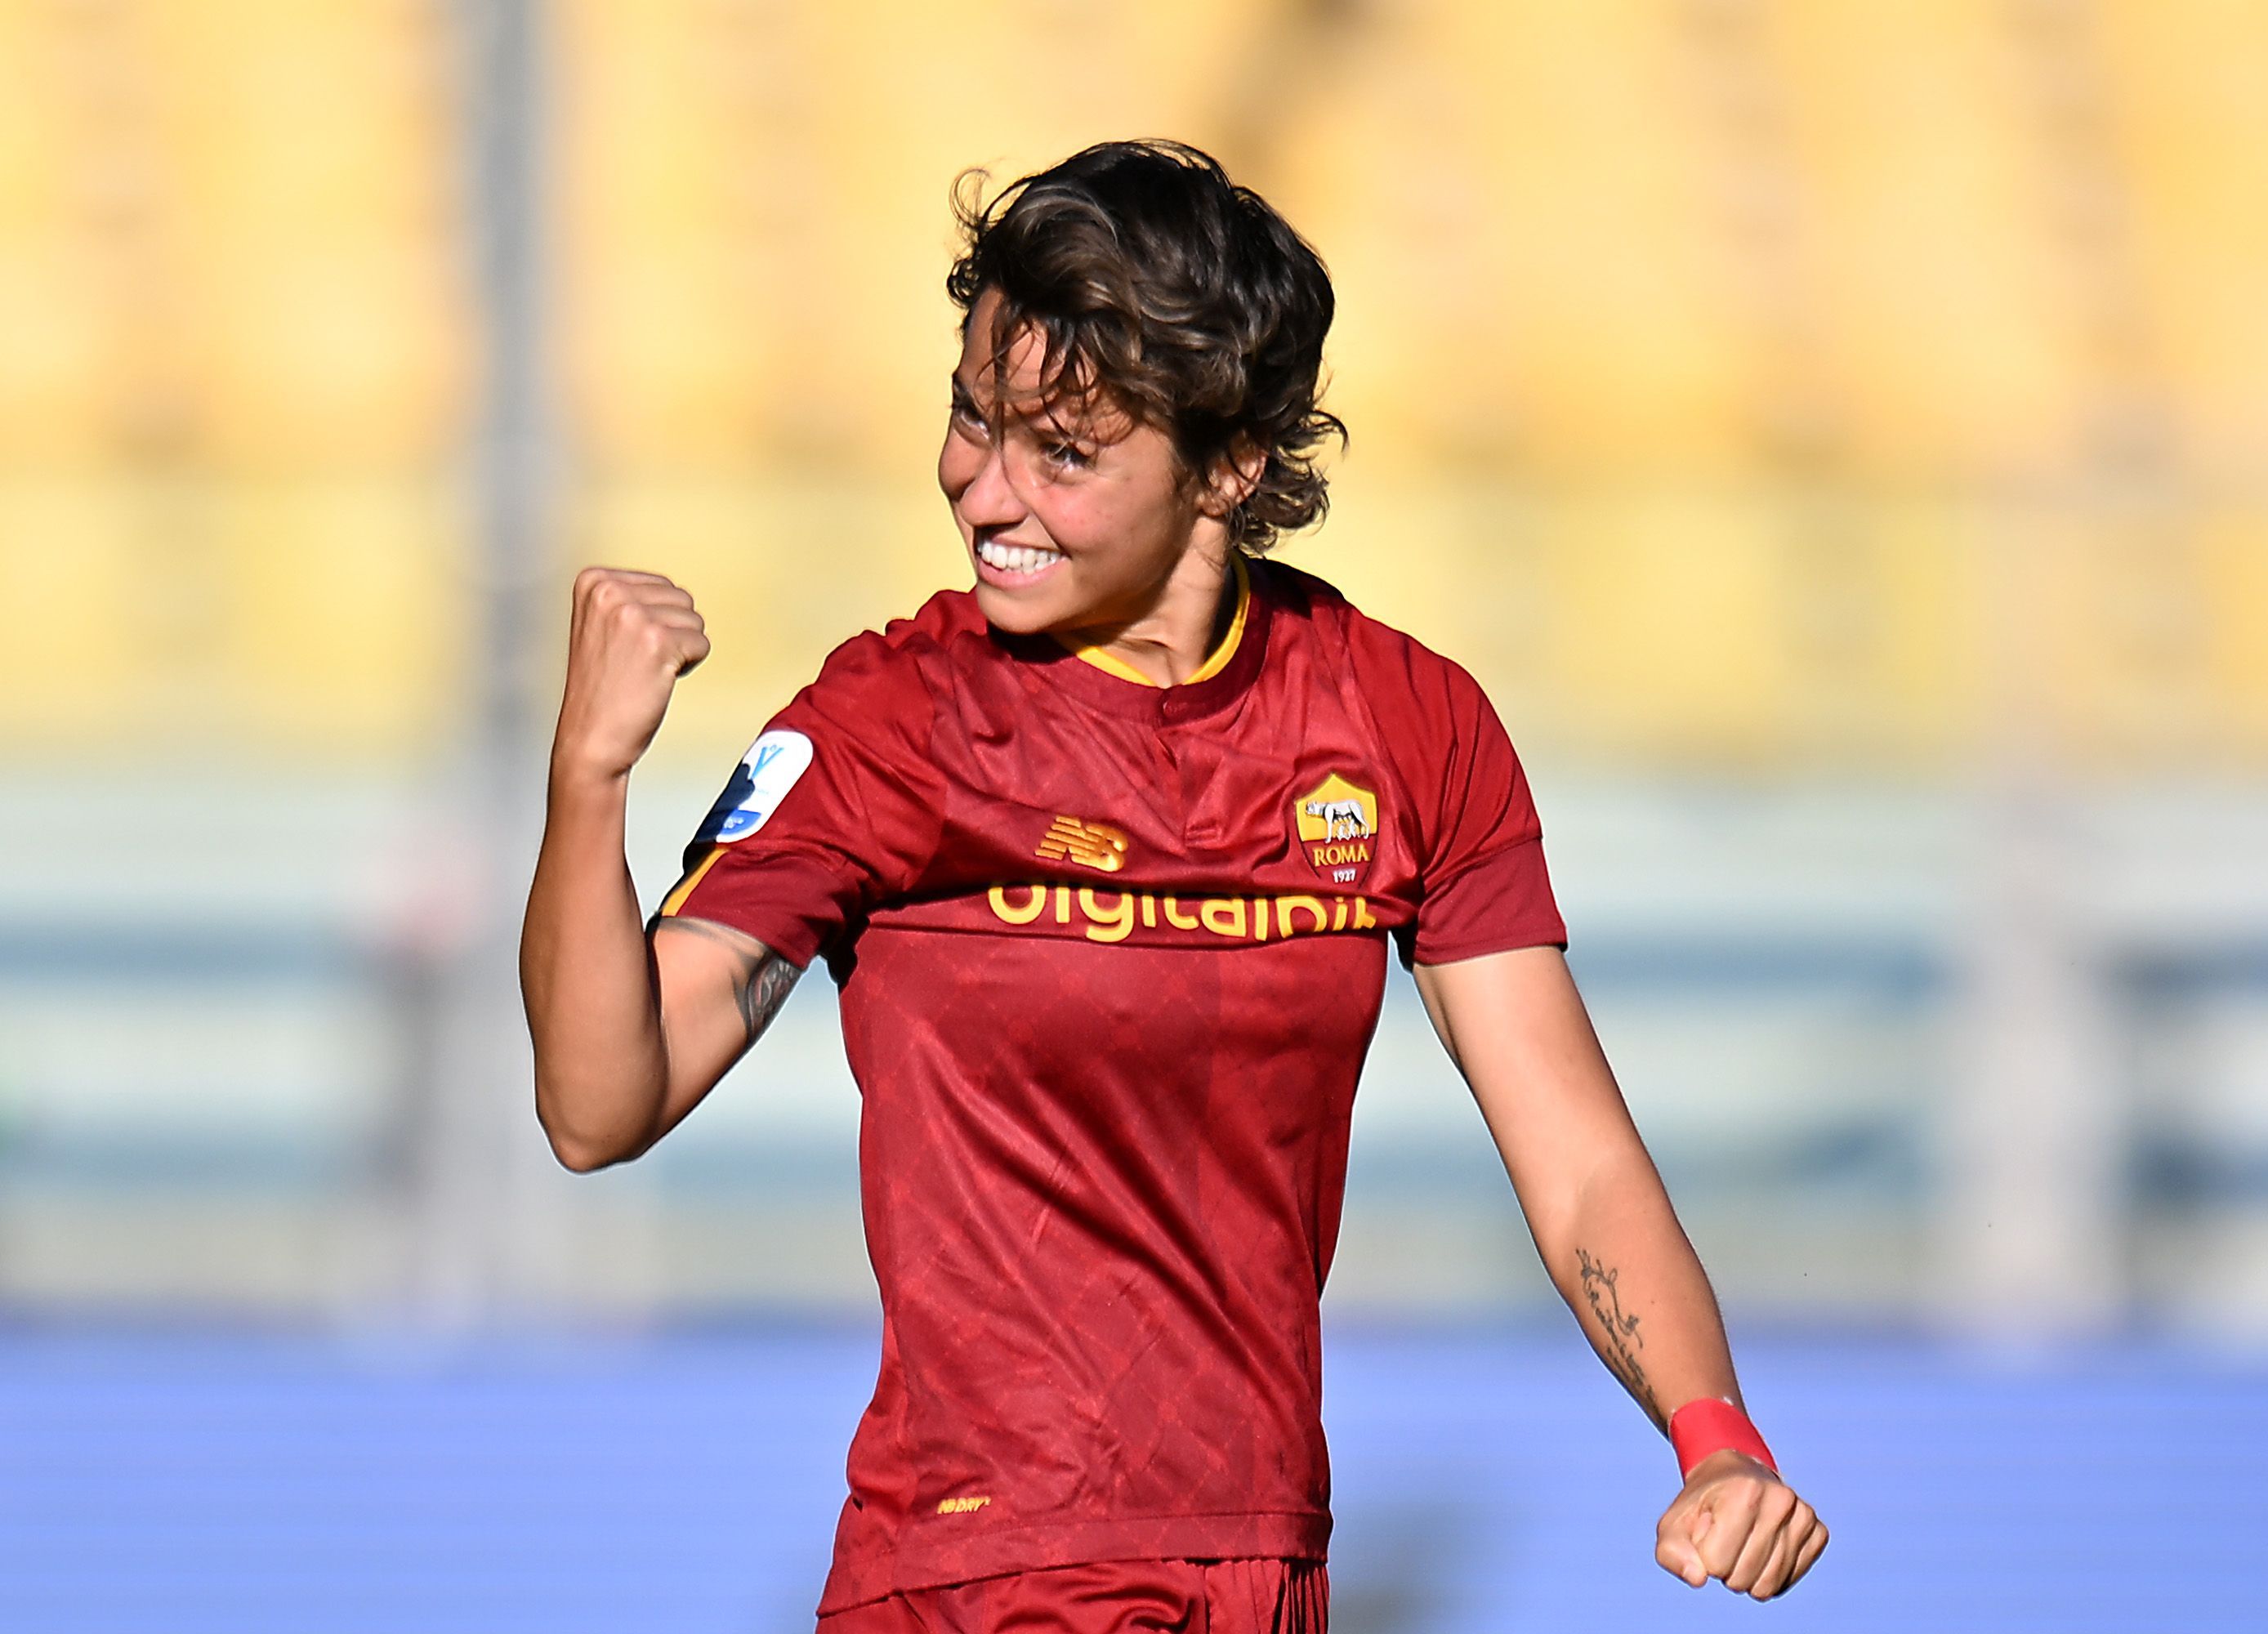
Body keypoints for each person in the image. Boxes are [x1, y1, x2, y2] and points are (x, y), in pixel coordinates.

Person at [520, 139, 1827, 1631]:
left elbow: (1579, 1155)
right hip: (974, 1584)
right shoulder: (892, 722)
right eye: (970, 418)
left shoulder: (1405, 725)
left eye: (1060, 453)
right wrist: (589, 779)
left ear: (1227, 464)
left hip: (1268, 1575)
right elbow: (594, 1105)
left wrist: (1713, 1438)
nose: (983, 490)